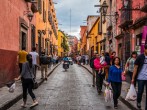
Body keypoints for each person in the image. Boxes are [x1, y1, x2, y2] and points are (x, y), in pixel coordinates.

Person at [132, 44, 147, 109]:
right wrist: (133, 78)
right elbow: (135, 68)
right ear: (145, 49)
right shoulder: (140, 57)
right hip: (140, 77)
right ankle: (138, 101)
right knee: (140, 91)